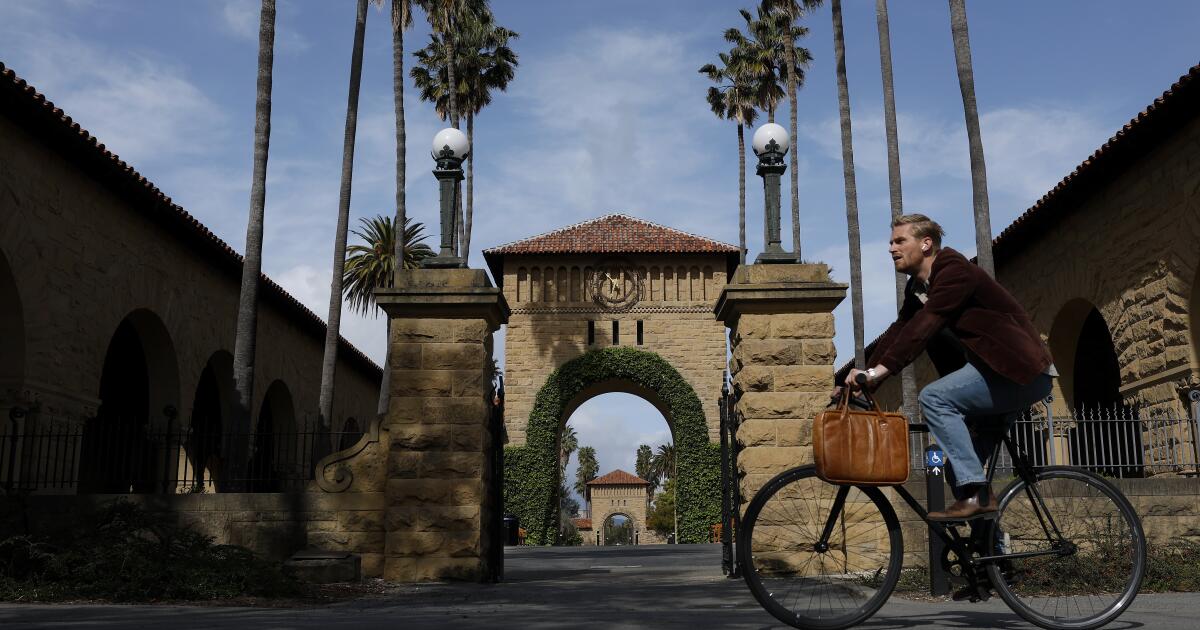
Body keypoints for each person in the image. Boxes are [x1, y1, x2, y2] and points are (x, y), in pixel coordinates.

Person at [840, 214, 1055, 521]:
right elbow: (901, 330)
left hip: (1019, 373)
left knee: (934, 398)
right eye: (891, 242)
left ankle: (974, 495)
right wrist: (863, 379)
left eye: (900, 241)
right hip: (996, 376)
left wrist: (878, 372)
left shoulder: (955, 272)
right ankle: (991, 558)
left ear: (926, 244)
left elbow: (926, 325)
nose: (891, 248)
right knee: (956, 466)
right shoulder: (918, 287)